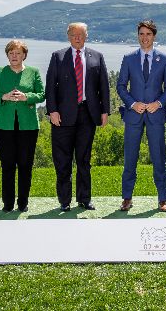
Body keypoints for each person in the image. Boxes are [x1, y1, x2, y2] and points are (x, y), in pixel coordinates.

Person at [45, 22, 110, 211]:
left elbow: (103, 87)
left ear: (86, 35)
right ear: (68, 36)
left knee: (84, 160)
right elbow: (50, 87)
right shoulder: (58, 57)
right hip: (62, 117)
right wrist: (52, 111)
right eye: (74, 35)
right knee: (62, 160)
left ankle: (84, 198)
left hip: (88, 115)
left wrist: (105, 111)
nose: (77, 38)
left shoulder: (97, 57)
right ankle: (64, 201)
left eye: (81, 34)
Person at [117, 20, 166, 212]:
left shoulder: (164, 59)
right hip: (133, 116)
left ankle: (162, 199)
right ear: (138, 36)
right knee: (130, 158)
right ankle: (127, 198)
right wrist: (133, 104)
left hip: (156, 115)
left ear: (154, 36)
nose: (144, 38)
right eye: (141, 34)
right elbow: (121, 86)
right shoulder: (128, 58)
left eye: (148, 34)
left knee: (159, 158)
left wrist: (158, 104)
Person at [0, 39, 45, 212]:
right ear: (7, 55)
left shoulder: (33, 72)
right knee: (8, 165)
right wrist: (3, 96)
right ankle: (8, 203)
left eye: (17, 53)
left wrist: (27, 97)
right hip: (4, 126)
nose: (14, 56)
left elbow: (41, 94)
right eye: (11, 53)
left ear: (24, 55)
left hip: (28, 126)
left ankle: (23, 203)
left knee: (26, 165)